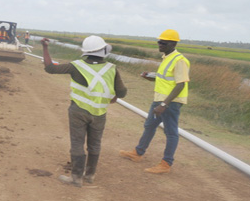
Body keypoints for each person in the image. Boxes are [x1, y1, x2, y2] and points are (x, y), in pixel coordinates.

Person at [42, 36, 127, 187]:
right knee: (95, 144)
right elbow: (122, 92)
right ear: (103, 50)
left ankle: (76, 177)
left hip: (78, 111)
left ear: (85, 52)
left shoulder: (76, 66)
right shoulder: (112, 68)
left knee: (77, 143)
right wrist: (112, 97)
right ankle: (90, 175)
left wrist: (45, 47)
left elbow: (50, 68)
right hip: (100, 113)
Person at [119, 29, 190, 174]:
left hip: (170, 102)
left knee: (171, 132)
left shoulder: (180, 60)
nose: (159, 44)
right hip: (159, 100)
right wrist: (149, 77)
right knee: (149, 125)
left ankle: (166, 164)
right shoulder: (166, 57)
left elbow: (181, 84)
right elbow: (165, 78)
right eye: (159, 41)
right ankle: (138, 153)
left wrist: (164, 104)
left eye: (163, 42)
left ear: (173, 43)